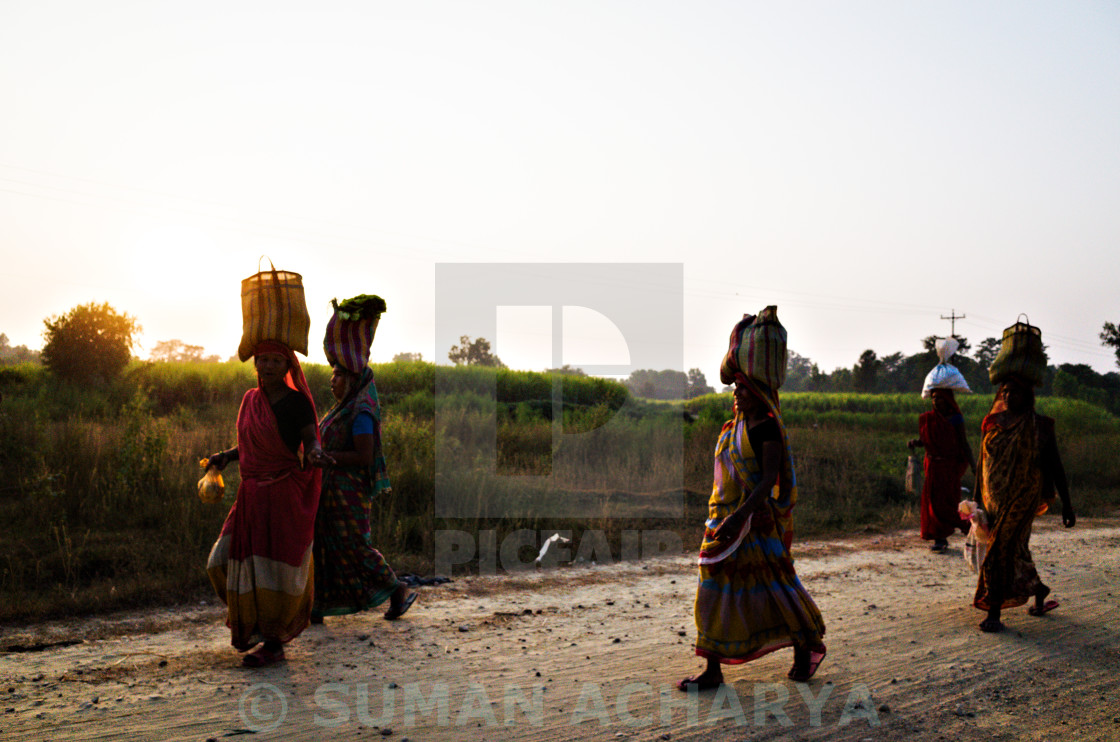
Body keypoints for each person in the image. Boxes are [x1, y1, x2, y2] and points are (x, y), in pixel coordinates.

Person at [679, 376, 827, 690]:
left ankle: (806, 645)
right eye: (736, 387)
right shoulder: (731, 429)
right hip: (721, 519)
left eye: (744, 387)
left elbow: (767, 479)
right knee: (713, 589)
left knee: (776, 587)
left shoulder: (766, 428)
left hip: (753, 522)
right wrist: (725, 516)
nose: (737, 392)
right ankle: (713, 670)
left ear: (760, 393)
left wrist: (740, 516)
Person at [204, 340, 327, 667]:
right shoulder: (250, 400)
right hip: (250, 498)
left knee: (274, 572)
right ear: (255, 364)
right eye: (263, 360)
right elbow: (248, 444)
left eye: (276, 360)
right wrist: (225, 457)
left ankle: (273, 643)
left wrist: (315, 453)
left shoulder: (297, 402)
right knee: (219, 562)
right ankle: (256, 625)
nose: (269, 366)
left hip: (282, 495)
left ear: (288, 367)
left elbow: (311, 438)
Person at [311, 364, 414, 623]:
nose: (332, 380)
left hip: (349, 491)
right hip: (328, 489)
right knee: (322, 546)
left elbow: (364, 456)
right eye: (332, 374)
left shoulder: (360, 413)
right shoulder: (339, 410)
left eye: (338, 375)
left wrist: (328, 457)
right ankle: (319, 606)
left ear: (354, 380)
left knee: (354, 546)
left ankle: (396, 587)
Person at [974, 374, 1075, 633]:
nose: (1008, 396)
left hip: (1024, 496)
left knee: (999, 548)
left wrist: (1067, 504)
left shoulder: (1040, 426)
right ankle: (1039, 589)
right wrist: (976, 500)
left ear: (1027, 396)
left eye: (1015, 392)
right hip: (994, 499)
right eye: (1005, 392)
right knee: (1015, 550)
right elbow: (982, 465)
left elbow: (1055, 465)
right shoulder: (993, 423)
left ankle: (994, 610)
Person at [907, 388, 976, 552]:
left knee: (948, 503)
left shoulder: (956, 419)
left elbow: (963, 443)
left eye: (939, 398)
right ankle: (940, 538)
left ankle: (969, 526)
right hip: (932, 467)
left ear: (948, 400)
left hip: (949, 467)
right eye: (933, 398)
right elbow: (926, 440)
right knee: (933, 503)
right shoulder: (928, 419)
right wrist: (916, 443)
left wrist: (974, 465)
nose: (935, 401)